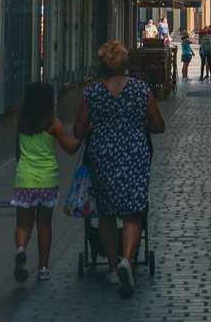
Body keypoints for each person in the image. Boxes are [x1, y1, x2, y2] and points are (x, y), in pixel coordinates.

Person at [73, 41, 165, 297]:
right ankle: (128, 259)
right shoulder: (140, 89)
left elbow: (78, 131)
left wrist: (96, 127)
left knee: (106, 213)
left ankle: (113, 268)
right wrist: (139, 125)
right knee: (134, 211)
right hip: (135, 155)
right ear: (126, 63)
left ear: (102, 65)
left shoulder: (92, 93)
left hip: (102, 156)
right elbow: (159, 126)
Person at [11, 82, 81, 283]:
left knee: (23, 223)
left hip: (24, 178)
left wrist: (25, 166)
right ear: (48, 102)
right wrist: (82, 137)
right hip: (47, 179)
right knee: (44, 223)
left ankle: (21, 249)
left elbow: (17, 154)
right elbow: (69, 148)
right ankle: (43, 267)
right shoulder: (53, 124)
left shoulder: (21, 122)